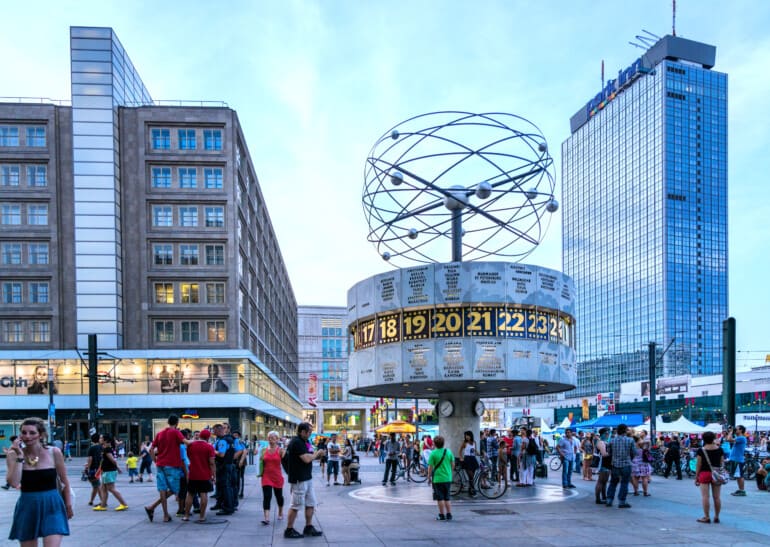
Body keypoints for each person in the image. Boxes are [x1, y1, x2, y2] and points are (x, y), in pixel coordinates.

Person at [7, 417, 72, 545]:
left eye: (32, 433)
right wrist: (20, 457)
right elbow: (14, 482)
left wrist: (68, 505)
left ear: (41, 435)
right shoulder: (13, 454)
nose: (27, 436)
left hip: (52, 505)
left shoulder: (54, 452)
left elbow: (65, 481)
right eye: (24, 433)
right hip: (27, 505)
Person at [284, 422, 325, 539]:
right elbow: (307, 458)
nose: (310, 434)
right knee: (295, 505)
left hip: (307, 477)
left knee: (311, 503)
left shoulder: (306, 442)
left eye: (311, 432)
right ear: (302, 431)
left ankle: (308, 527)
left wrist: (318, 455)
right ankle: (289, 529)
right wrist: (317, 454)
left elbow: (311, 456)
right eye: (308, 432)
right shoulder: (296, 442)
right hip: (299, 478)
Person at [144, 414, 187, 523]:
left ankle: (165, 515)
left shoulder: (160, 434)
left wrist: (155, 461)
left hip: (161, 465)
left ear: (168, 422)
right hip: (172, 465)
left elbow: (151, 450)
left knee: (162, 490)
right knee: (174, 489)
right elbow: (186, 442)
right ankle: (153, 507)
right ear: (177, 423)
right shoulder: (176, 432)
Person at [184, 428, 215, 523]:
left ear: (200, 435)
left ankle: (186, 516)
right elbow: (211, 463)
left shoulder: (191, 445)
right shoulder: (209, 447)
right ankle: (201, 516)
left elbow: (188, 457)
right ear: (208, 438)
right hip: (205, 475)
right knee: (203, 494)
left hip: (193, 473)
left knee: (190, 494)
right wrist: (213, 475)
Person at [92, 433, 129, 511]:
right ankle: (103, 505)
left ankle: (124, 504)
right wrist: (100, 469)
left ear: (105, 440)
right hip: (106, 471)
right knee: (103, 488)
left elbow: (112, 460)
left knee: (111, 488)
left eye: (101, 438)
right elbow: (104, 460)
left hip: (109, 471)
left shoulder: (107, 449)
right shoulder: (105, 448)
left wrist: (118, 468)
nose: (99, 439)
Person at [694, 430, 724, 523]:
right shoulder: (720, 449)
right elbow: (722, 463)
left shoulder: (701, 450)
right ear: (713, 439)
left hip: (704, 473)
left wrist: (696, 477)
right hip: (716, 473)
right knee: (717, 497)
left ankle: (706, 517)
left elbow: (698, 464)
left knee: (705, 497)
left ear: (703, 439)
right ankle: (717, 516)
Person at [258, 430, 285, 526]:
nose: (270, 440)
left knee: (279, 497)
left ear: (277, 439)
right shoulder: (264, 450)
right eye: (269, 438)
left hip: (277, 477)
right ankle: (266, 517)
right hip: (266, 476)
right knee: (267, 496)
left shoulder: (281, 450)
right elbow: (260, 462)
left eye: (273, 438)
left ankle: (280, 511)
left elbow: (286, 464)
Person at [606, 424, 635, 508]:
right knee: (624, 483)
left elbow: (609, 453)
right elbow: (634, 453)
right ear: (625, 431)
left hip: (615, 464)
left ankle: (609, 500)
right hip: (626, 464)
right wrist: (629, 458)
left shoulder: (612, 440)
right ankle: (622, 501)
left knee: (613, 482)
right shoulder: (630, 440)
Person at [427, 435, 455, 521]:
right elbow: (453, 465)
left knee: (440, 498)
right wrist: (449, 472)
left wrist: (429, 476)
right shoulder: (449, 452)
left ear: (434, 444)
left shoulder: (433, 453)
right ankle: (449, 514)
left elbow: (430, 467)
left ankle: (441, 515)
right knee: (447, 497)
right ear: (443, 443)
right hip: (448, 478)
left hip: (438, 479)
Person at [727, 425, 748, 496]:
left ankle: (742, 490)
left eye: (737, 429)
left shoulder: (741, 438)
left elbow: (728, 439)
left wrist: (731, 431)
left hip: (738, 460)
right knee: (738, 475)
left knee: (740, 475)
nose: (735, 430)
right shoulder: (738, 438)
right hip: (736, 459)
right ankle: (740, 490)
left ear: (741, 430)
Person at [458, 430, 479, 496]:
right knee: (471, 475)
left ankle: (470, 490)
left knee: (472, 476)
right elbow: (460, 450)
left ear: (471, 435)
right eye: (465, 436)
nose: (466, 437)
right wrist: (461, 457)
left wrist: (479, 453)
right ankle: (473, 489)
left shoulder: (474, 442)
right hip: (467, 459)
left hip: (473, 459)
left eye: (468, 435)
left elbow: (475, 450)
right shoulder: (464, 443)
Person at [85, 433, 102, 505]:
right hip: (99, 468)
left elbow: (90, 459)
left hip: (93, 469)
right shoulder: (100, 447)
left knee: (97, 485)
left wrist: (87, 467)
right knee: (95, 485)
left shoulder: (91, 448)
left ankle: (103, 501)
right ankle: (91, 501)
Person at [594, 428, 611, 504]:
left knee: (604, 481)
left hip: (606, 463)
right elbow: (604, 454)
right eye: (607, 433)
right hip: (603, 463)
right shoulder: (601, 442)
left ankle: (604, 496)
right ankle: (598, 499)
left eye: (608, 433)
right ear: (603, 434)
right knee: (600, 481)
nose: (608, 435)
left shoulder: (604, 442)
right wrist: (612, 453)